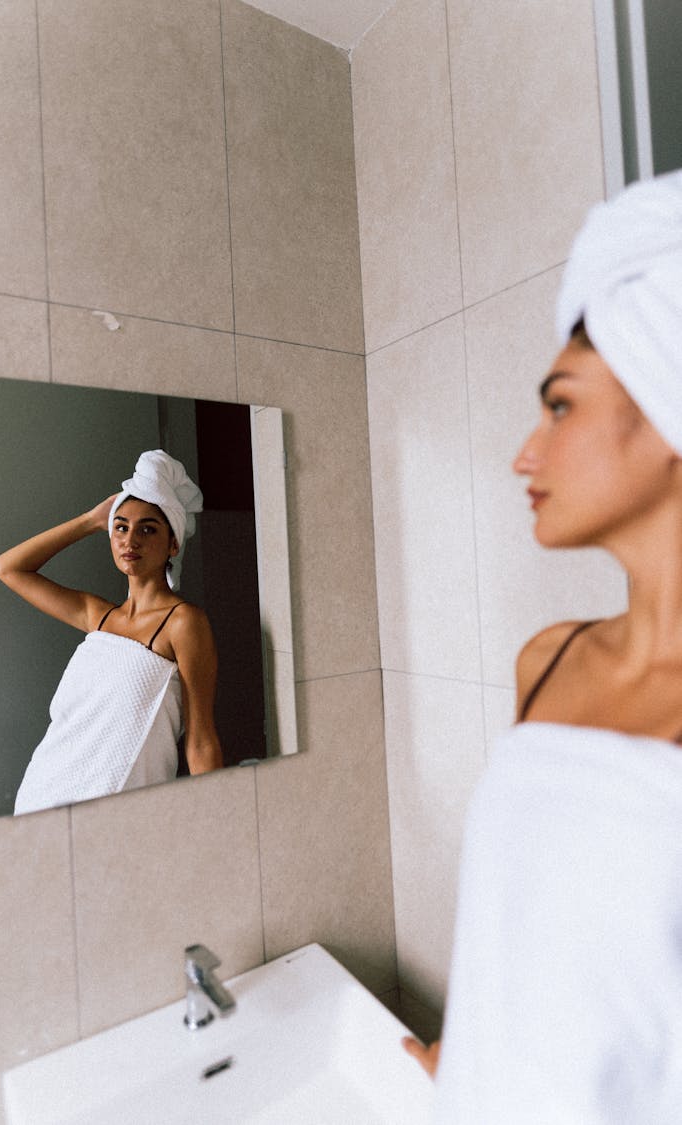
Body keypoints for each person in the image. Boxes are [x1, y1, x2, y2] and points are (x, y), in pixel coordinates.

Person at [403, 170, 682, 1120]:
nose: (526, 452)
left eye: (559, 406)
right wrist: (473, 1055)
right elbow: (529, 931)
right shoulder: (549, 659)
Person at [0, 449, 223, 815]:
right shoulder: (96, 616)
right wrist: (90, 520)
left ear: (173, 544)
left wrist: (220, 818)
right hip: (42, 793)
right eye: (121, 527)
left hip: (117, 809)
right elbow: (7, 567)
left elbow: (200, 740)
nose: (131, 540)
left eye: (148, 529)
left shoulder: (183, 623)